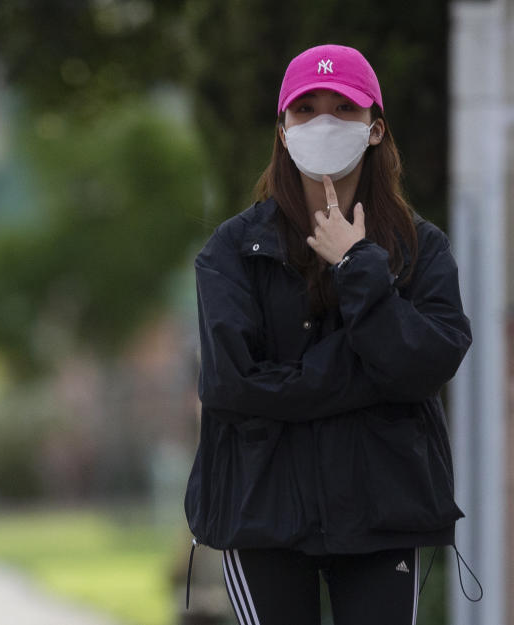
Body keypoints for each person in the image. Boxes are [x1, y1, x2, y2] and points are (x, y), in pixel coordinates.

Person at [183, 44, 472, 625]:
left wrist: (358, 265)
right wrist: (369, 371)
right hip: (262, 508)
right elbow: (232, 387)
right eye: (306, 109)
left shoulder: (420, 248)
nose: (324, 122)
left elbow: (427, 364)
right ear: (283, 130)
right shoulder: (232, 251)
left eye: (343, 108)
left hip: (382, 510)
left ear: (374, 129)